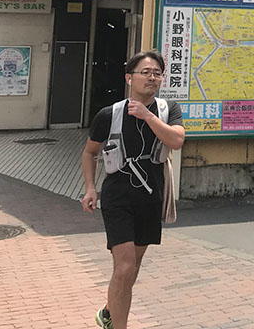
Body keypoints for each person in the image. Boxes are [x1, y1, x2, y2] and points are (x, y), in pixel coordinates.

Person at [80, 50, 185, 329]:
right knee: (124, 266)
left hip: (151, 195)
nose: (152, 77)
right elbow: (90, 153)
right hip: (118, 194)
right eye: (145, 72)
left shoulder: (168, 110)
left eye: (157, 73)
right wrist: (90, 188)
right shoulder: (109, 114)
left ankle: (108, 311)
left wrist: (147, 116)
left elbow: (176, 141)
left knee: (131, 269)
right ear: (129, 78)